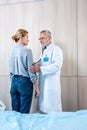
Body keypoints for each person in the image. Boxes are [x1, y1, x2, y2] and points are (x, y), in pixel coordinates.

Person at [30, 30, 63, 113]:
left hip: (51, 85)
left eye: (43, 38)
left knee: (52, 110)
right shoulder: (44, 51)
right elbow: (42, 64)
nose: (40, 40)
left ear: (49, 38)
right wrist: (34, 65)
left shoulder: (56, 49)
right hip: (43, 84)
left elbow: (57, 66)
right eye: (40, 38)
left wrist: (40, 69)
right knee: (43, 110)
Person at [9, 29, 40, 113]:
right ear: (21, 38)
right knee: (24, 113)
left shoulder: (12, 51)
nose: (28, 39)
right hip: (25, 83)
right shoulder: (28, 51)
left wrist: (14, 80)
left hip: (14, 83)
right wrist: (37, 88)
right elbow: (31, 71)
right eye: (27, 37)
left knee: (15, 112)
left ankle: (15, 126)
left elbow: (10, 70)